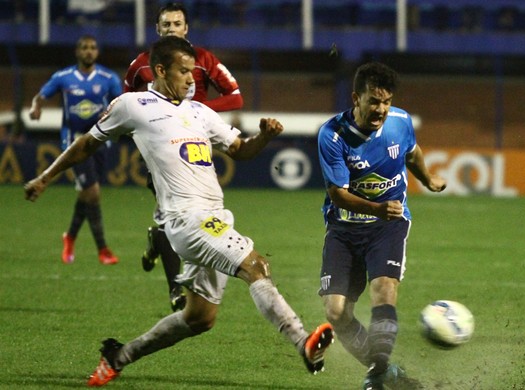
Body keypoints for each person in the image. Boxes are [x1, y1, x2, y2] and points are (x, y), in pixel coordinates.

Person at [24, 35, 333, 387]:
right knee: (255, 265)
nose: (191, 79)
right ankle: (302, 341)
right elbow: (85, 145)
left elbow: (240, 150)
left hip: (214, 216)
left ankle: (118, 355)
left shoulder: (200, 112)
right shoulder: (133, 104)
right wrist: (45, 178)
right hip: (186, 220)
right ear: (159, 70)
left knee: (200, 318)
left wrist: (264, 137)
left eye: (193, 72)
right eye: (184, 72)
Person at [316, 62, 446, 390]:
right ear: (356, 98)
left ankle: (377, 373)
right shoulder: (332, 135)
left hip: (388, 226)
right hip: (344, 228)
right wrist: (377, 208)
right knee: (336, 312)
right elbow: (339, 195)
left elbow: (412, 153)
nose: (381, 109)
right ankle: (388, 373)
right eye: (374, 101)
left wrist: (428, 179)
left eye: (387, 101)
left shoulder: (400, 122)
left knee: (384, 288)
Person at [125, 1, 244, 312]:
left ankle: (161, 243)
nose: (171, 29)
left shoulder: (204, 60)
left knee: (193, 215)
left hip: (196, 149)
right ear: (157, 29)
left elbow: (235, 96)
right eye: (166, 25)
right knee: (171, 214)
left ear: (186, 28)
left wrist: (199, 112)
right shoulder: (141, 64)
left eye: (176, 24)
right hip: (164, 150)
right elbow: (127, 98)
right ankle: (176, 290)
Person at [29, 35, 122, 265]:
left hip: (99, 141)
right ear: (77, 52)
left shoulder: (108, 78)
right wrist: (36, 108)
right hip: (73, 143)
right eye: (84, 48)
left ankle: (69, 237)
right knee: (92, 193)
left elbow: (121, 103)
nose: (88, 51)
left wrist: (110, 113)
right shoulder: (64, 77)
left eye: (92, 47)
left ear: (97, 52)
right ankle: (103, 249)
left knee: (86, 195)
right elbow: (41, 96)